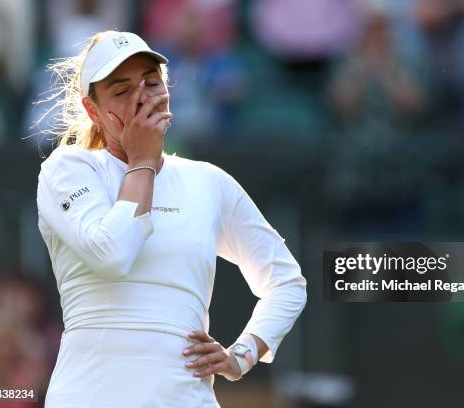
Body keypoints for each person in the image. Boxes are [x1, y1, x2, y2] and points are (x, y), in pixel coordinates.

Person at [34, 30, 307, 407]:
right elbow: (114, 254)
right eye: (122, 90)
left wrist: (241, 356)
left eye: (151, 81)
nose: (143, 96)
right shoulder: (69, 168)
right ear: (93, 111)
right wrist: (143, 161)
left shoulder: (209, 181)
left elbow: (287, 282)